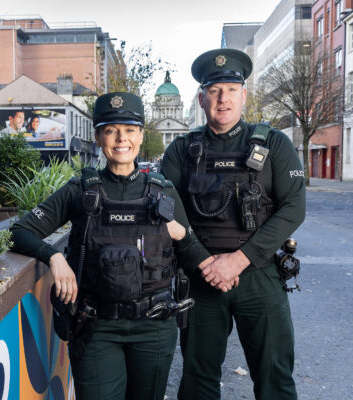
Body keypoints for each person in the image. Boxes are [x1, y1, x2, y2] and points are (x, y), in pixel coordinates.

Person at [11, 92, 215, 400]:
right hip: (96, 327)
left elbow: (194, 255)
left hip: (154, 327)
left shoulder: (165, 191)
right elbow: (20, 231)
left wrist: (182, 235)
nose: (121, 139)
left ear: (141, 135)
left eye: (130, 130)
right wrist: (53, 257)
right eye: (111, 130)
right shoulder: (80, 190)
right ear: (98, 137)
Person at [160, 49, 306, 399]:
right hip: (201, 278)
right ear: (201, 98)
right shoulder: (181, 150)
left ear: (244, 94)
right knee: (198, 380)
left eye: (230, 89)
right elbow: (165, 211)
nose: (222, 98)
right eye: (214, 90)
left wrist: (238, 260)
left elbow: (294, 208)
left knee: (275, 378)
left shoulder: (274, 144)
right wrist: (205, 262)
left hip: (260, 276)